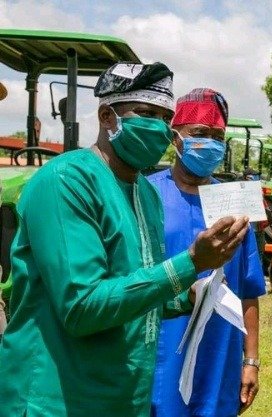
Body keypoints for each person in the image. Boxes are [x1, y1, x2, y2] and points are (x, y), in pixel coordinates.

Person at [0, 63, 248, 417]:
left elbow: (132, 285)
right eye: (146, 113)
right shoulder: (67, 182)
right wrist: (189, 264)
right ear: (107, 117)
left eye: (165, 118)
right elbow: (82, 307)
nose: (159, 127)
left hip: (121, 397)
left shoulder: (145, 193)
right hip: (57, 398)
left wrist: (187, 295)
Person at [150, 88, 265, 417]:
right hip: (162, 352)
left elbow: (249, 291)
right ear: (176, 138)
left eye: (218, 136)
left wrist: (251, 361)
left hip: (220, 354)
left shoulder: (235, 202)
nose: (210, 143)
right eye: (200, 134)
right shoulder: (147, 196)